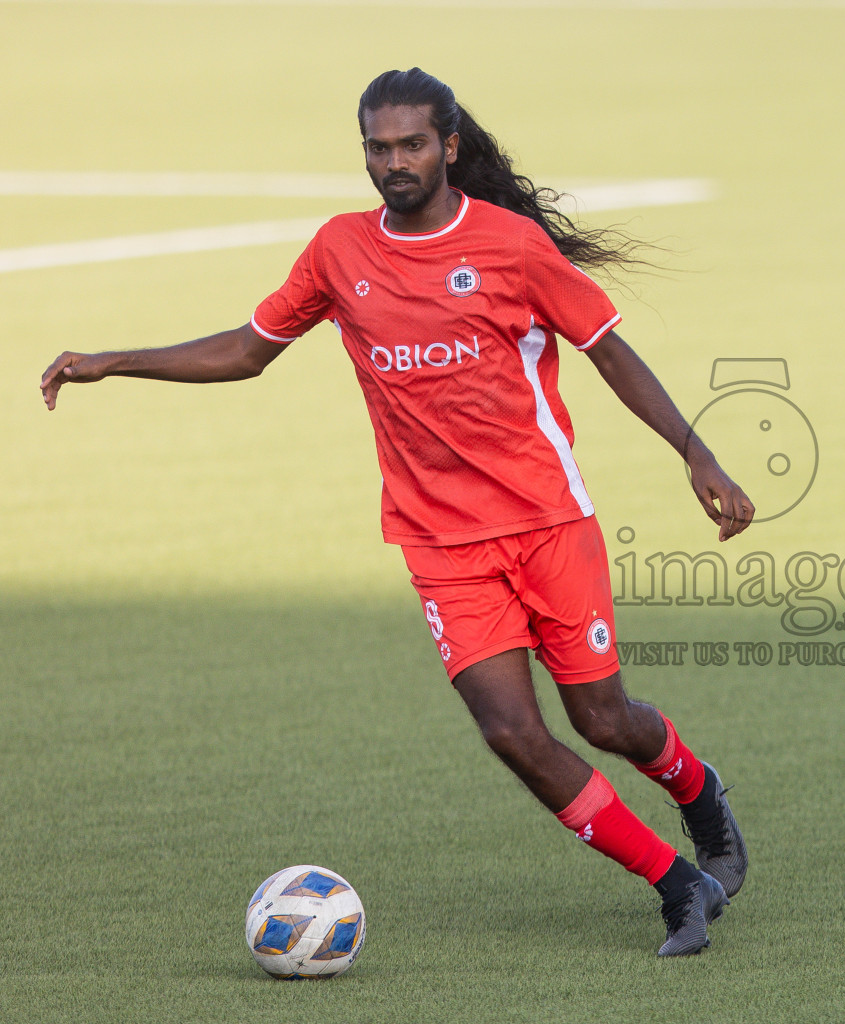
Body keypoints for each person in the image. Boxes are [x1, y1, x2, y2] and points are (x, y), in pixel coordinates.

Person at [40, 68, 750, 956]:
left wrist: (697, 452)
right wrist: (116, 360)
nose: (393, 162)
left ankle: (699, 793)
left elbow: (610, 351)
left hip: (546, 522)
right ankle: (674, 883)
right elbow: (248, 349)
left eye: (411, 144)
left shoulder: (512, 246)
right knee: (510, 732)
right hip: (438, 542)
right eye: (377, 147)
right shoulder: (340, 251)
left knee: (601, 721)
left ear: (449, 148)